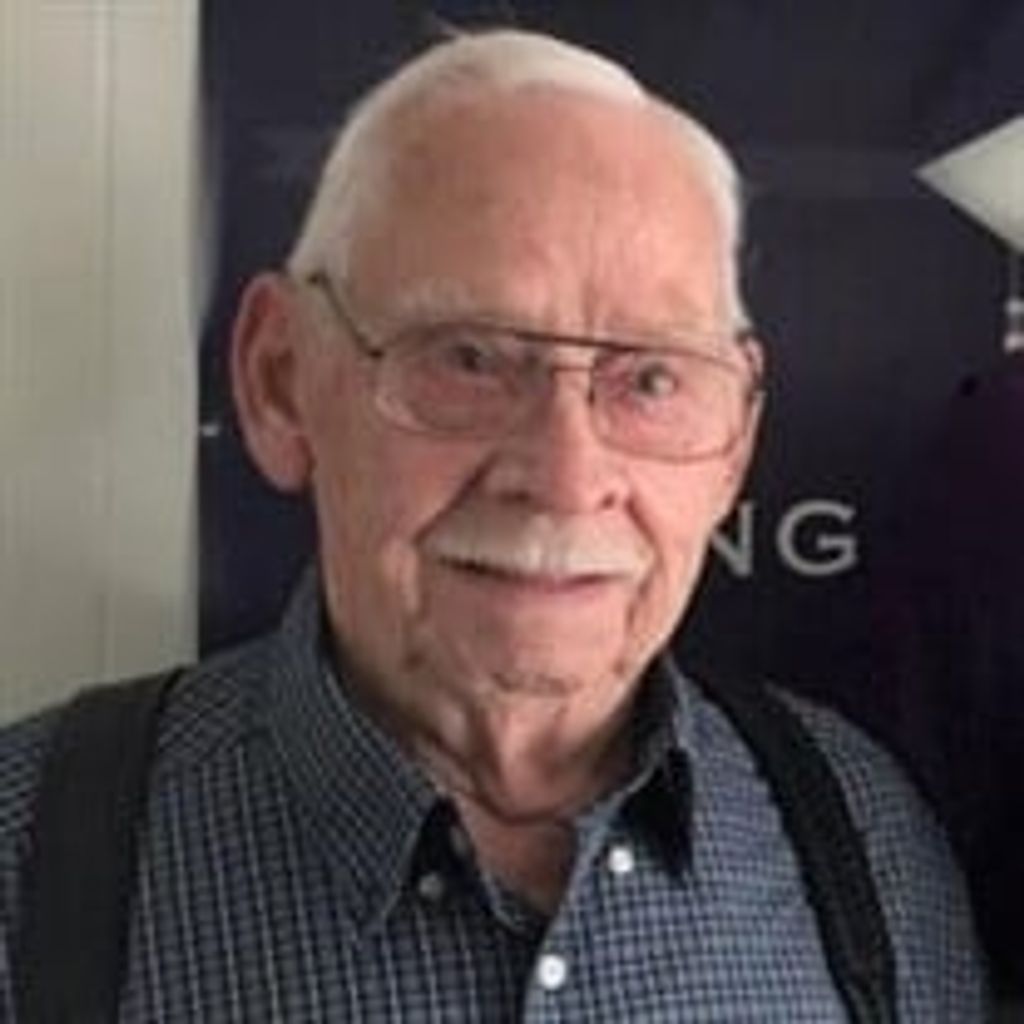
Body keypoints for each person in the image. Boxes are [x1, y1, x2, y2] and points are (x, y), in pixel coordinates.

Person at [0, 28, 987, 1021]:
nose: (565, 478)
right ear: (281, 382)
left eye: (650, 379)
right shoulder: (26, 858)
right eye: (469, 358)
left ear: (735, 440)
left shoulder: (863, 841)